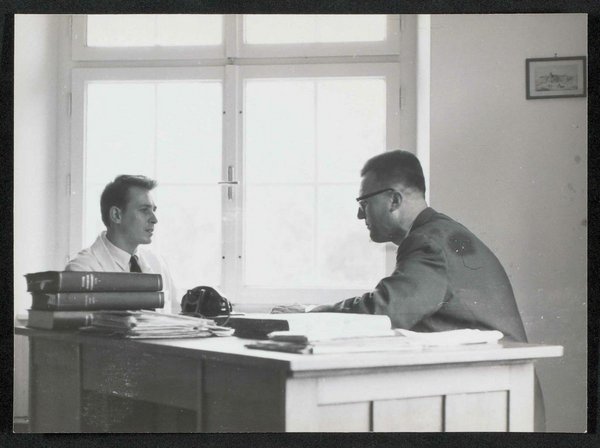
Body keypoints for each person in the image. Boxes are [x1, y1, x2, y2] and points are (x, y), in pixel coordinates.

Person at [276, 150, 545, 431]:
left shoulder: (429, 241)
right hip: (499, 394)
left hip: (493, 401)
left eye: (364, 203)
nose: (359, 215)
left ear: (394, 200)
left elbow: (384, 311)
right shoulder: (440, 232)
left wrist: (311, 314)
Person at [66, 174, 178, 314]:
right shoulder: (82, 271)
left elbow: (176, 318)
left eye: (153, 210)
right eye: (144, 210)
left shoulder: (157, 263)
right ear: (116, 215)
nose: (154, 219)